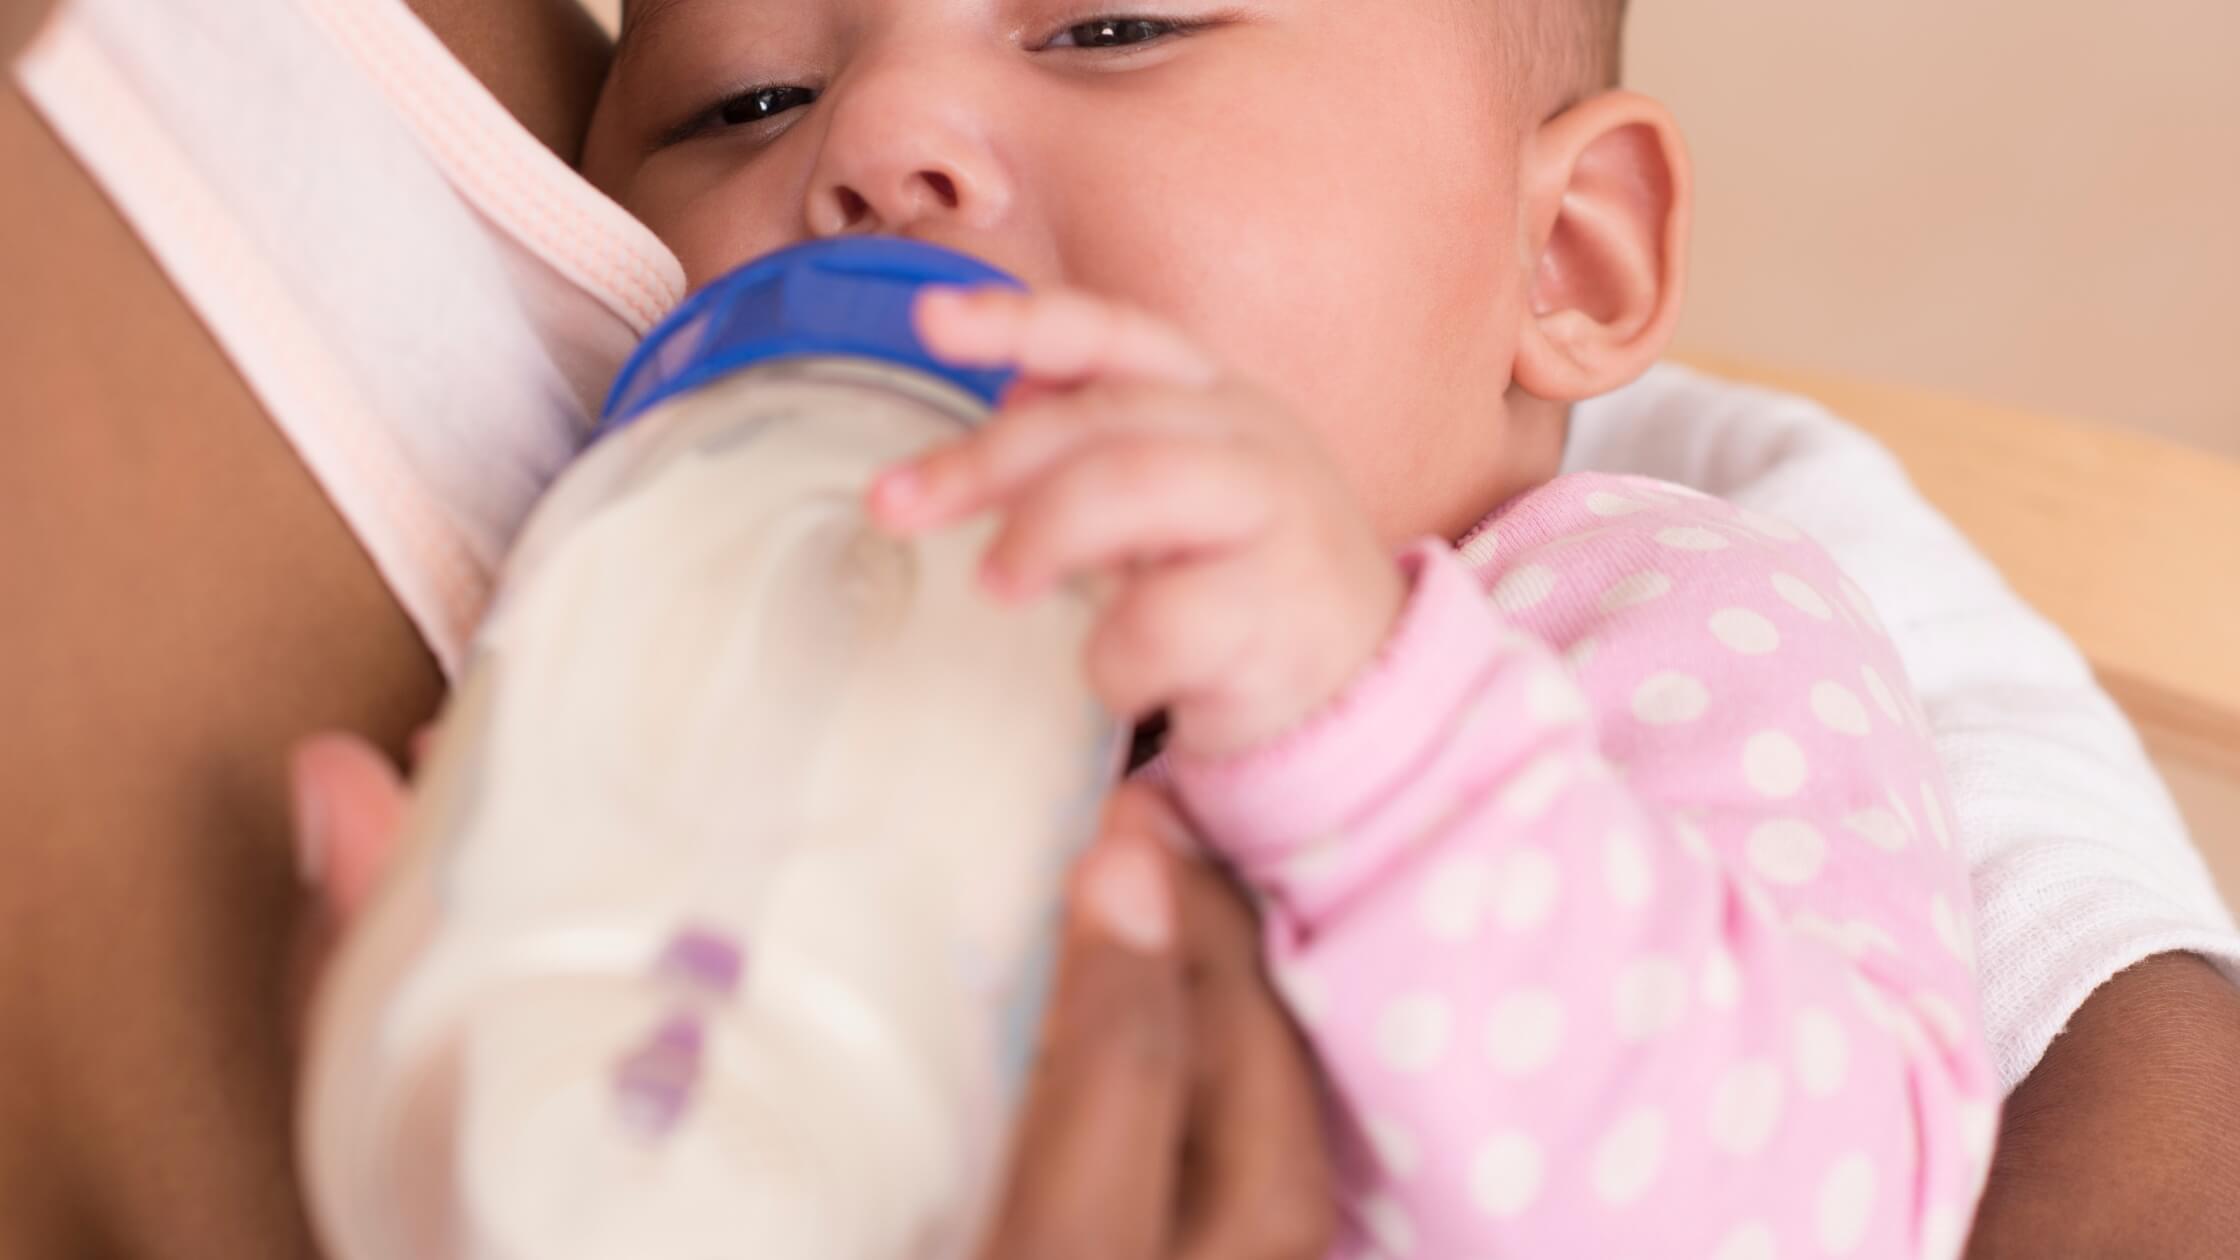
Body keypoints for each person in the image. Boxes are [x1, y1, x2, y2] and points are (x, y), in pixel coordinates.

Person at [5, 0, 2237, 1256]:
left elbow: (1823, 1206)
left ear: (1563, 259)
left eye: (1112, 21)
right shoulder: (735, 612)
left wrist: (1382, 745)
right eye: (743, 102)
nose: (879, 136)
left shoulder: (1629, 622)